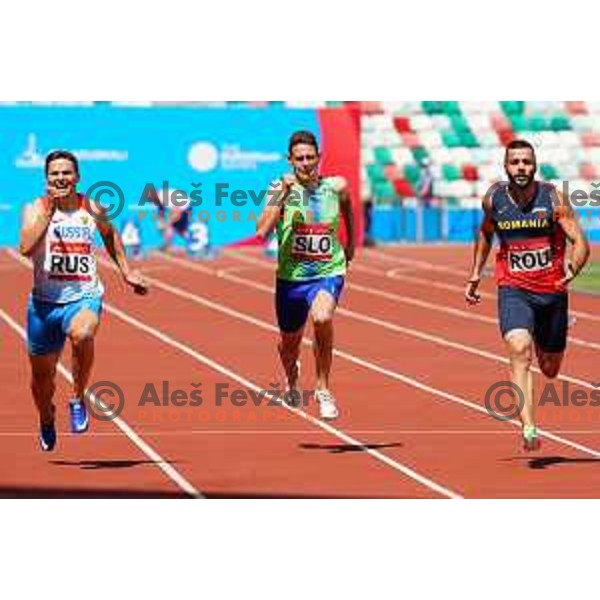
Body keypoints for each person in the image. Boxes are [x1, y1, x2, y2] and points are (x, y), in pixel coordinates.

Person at [19, 150, 148, 451]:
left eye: (66, 173)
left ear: (77, 177)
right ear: (46, 178)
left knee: (83, 333)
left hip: (83, 296)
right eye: (55, 173)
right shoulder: (34, 208)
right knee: (42, 381)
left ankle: (78, 398)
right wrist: (49, 214)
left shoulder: (91, 206)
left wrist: (126, 272)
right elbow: (25, 247)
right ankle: (47, 417)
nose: (61, 178)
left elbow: (110, 234)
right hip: (43, 305)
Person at [465, 139, 590, 450]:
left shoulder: (553, 198)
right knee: (519, 348)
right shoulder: (494, 199)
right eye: (515, 162)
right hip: (514, 289)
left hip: (552, 292)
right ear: (506, 166)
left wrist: (573, 268)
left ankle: (547, 331)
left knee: (549, 369)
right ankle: (530, 427)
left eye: (526, 162)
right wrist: (475, 273)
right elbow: (485, 233)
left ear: (535, 166)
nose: (521, 168)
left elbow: (580, 241)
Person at [256, 131, 355, 420]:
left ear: (319, 157)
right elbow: (261, 230)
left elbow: (348, 207)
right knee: (289, 344)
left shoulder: (336, 187)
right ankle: (292, 377)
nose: (305, 163)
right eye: (299, 158)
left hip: (328, 271)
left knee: (322, 317)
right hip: (291, 279)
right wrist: (283, 195)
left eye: (310, 157)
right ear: (290, 161)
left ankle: (323, 388)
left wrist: (350, 244)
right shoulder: (279, 187)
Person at [145, 186, 193, 253]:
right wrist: (161, 221)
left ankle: (168, 245)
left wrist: (169, 223)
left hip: (184, 207)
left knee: (171, 226)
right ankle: (190, 243)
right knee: (178, 228)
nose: (151, 201)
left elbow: (177, 210)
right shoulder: (159, 198)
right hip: (183, 207)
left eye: (150, 199)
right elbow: (161, 210)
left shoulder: (164, 197)